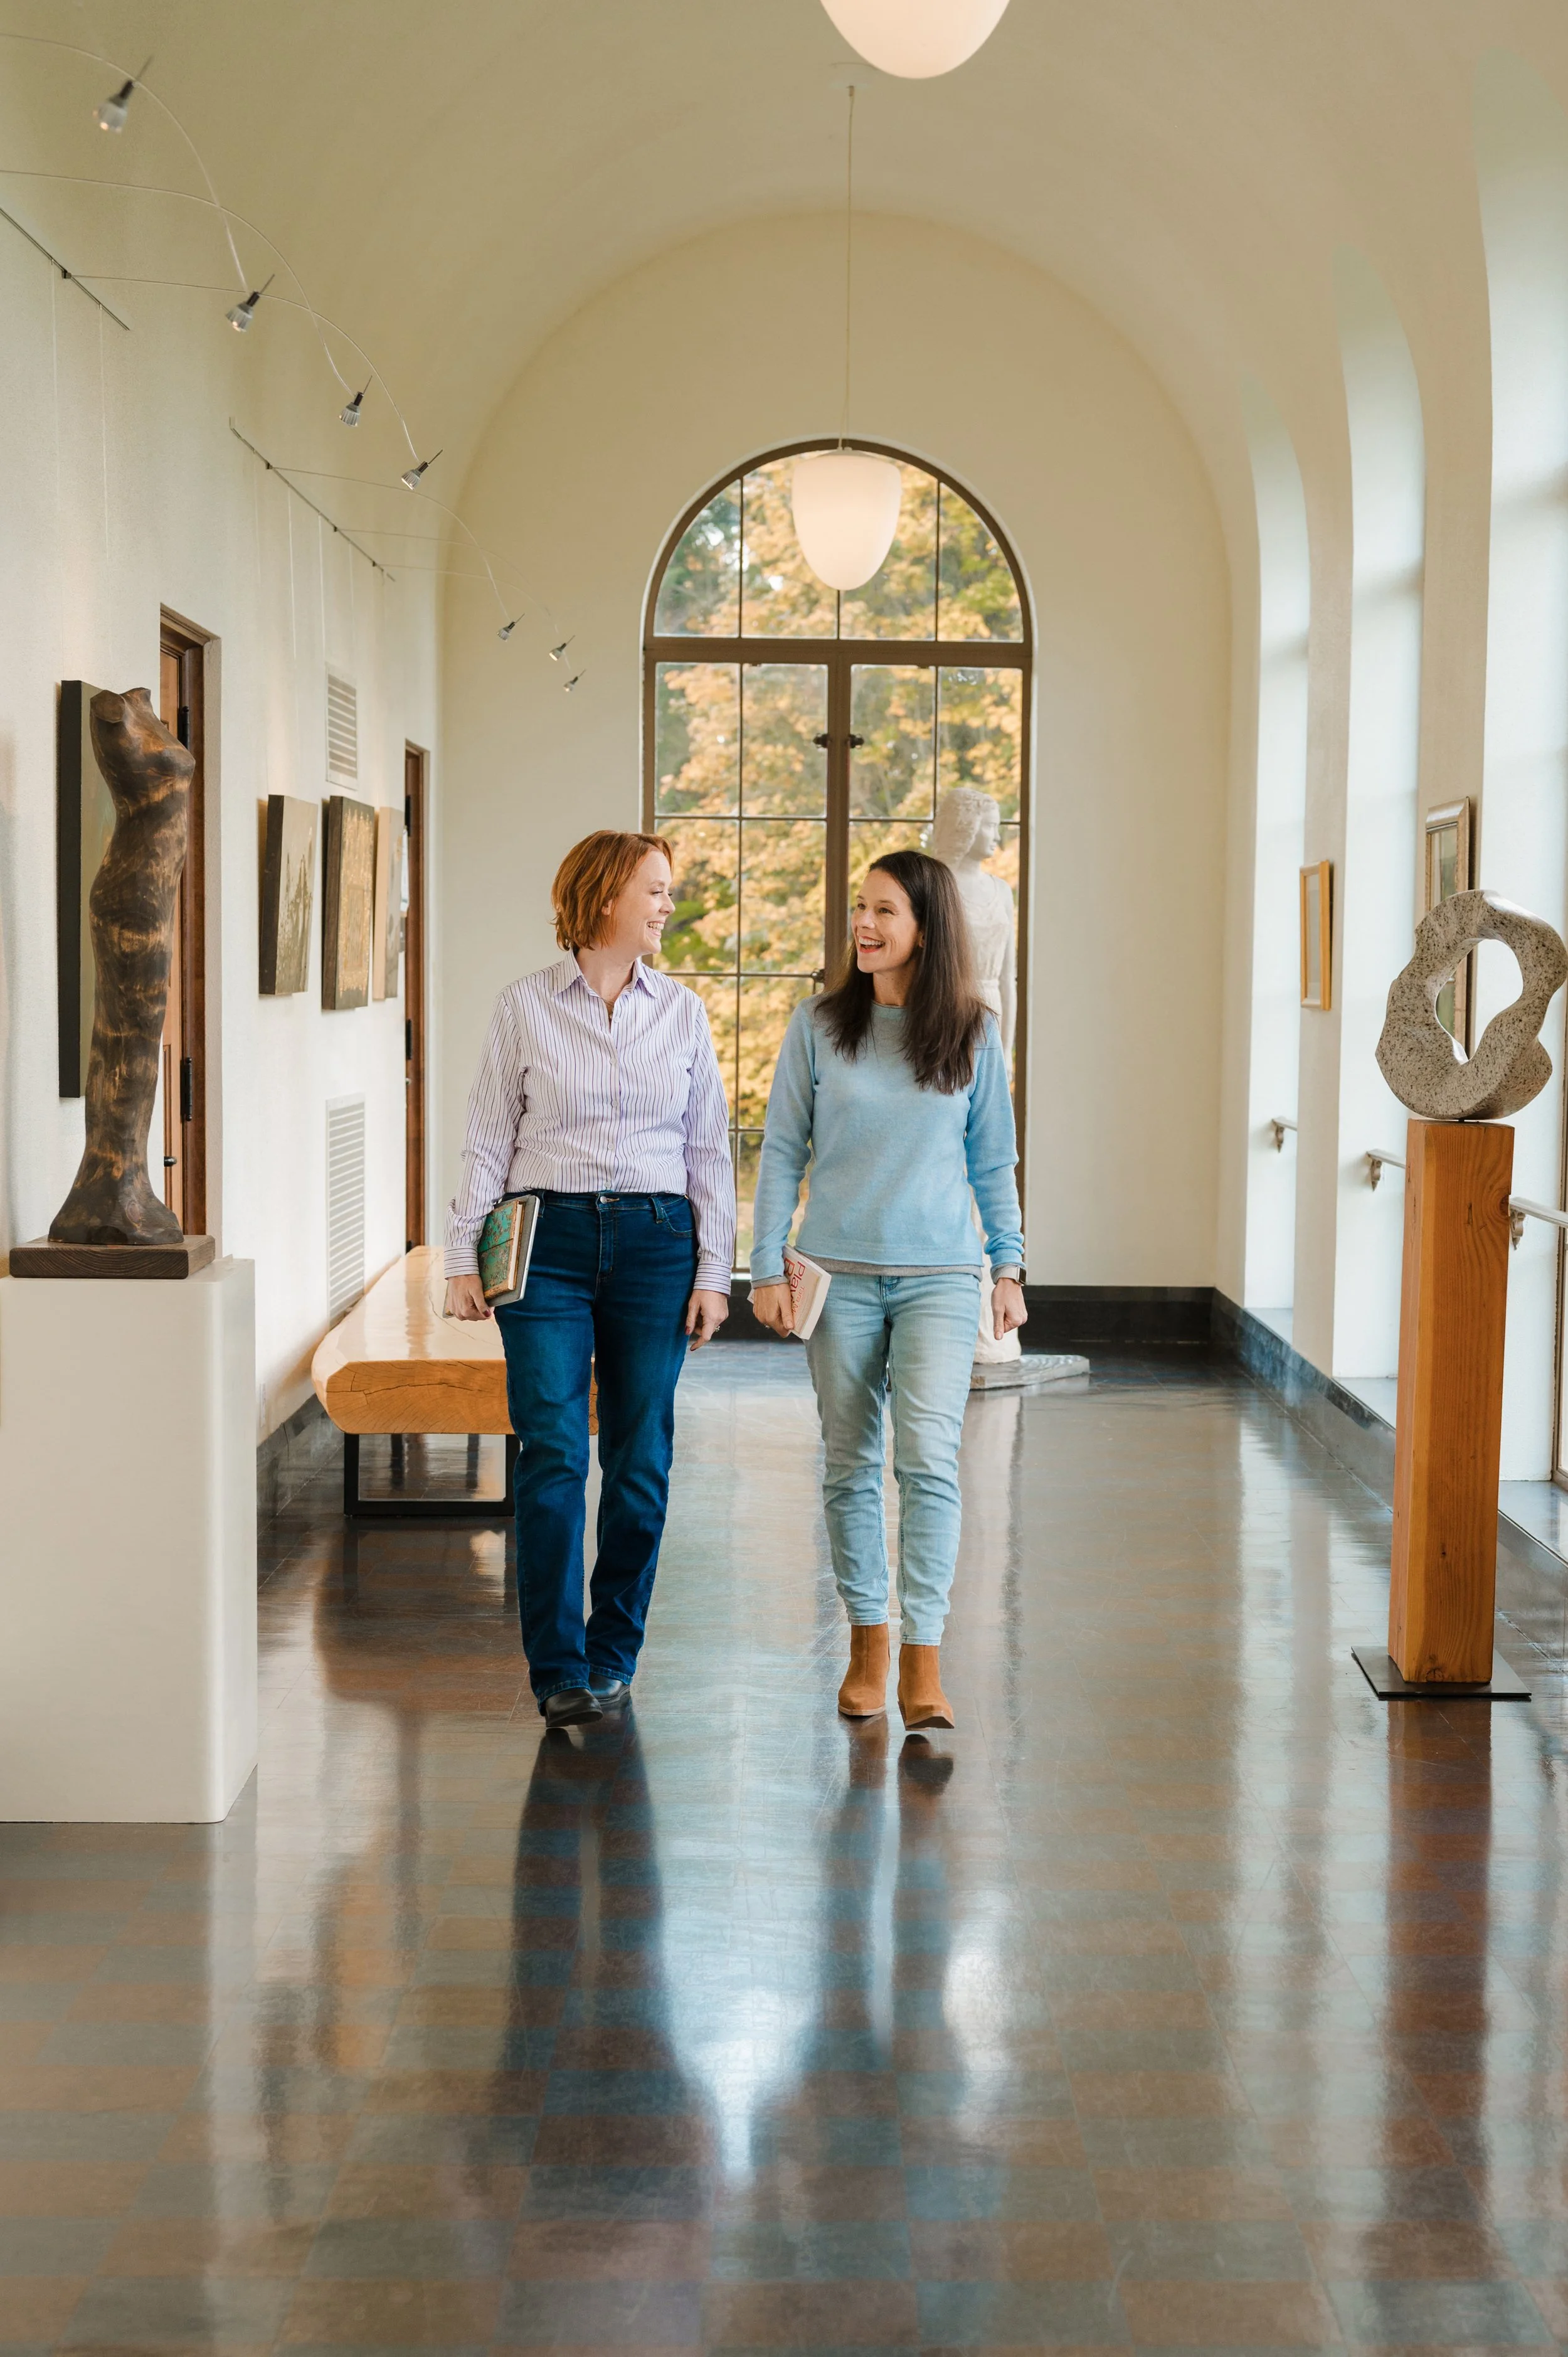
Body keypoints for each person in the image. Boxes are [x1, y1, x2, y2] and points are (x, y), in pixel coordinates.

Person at [445, 830, 734, 1728]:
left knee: (640, 1460)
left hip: (656, 1244)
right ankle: (558, 1668)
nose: (666, 906)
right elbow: (489, 1138)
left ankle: (614, 1651)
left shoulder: (683, 1013)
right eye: (655, 890)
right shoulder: (524, 1008)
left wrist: (714, 1272)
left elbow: (707, 1151)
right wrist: (463, 1258)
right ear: (606, 896)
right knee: (556, 1454)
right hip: (548, 1245)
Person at [750, 850, 1026, 1732]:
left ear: (926, 929)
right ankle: (869, 1640)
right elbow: (782, 1151)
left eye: (884, 913)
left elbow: (993, 1162)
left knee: (930, 1463)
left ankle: (924, 1660)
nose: (864, 926)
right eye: (860, 909)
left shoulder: (973, 1036)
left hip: (944, 1275)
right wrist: (764, 1265)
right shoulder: (819, 1027)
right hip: (837, 1276)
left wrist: (1010, 1266)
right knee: (849, 1463)